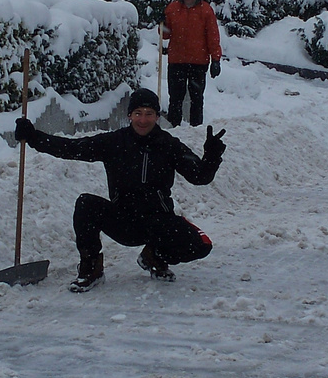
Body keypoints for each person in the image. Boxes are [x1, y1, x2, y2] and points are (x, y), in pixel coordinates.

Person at [14, 88, 226, 292]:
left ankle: (154, 256)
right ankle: (91, 268)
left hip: (158, 222)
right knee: (86, 203)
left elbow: (200, 177)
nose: (143, 120)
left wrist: (211, 157)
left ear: (157, 117)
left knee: (201, 245)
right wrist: (33, 137)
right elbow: (72, 148)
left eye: (149, 114)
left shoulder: (169, 145)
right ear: (130, 115)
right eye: (138, 114)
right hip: (123, 220)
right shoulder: (114, 142)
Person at [161, 0, 222, 128]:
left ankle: (197, 130)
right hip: (177, 61)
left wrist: (216, 59)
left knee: (197, 98)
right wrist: (162, 24)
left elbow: (213, 36)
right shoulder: (172, 8)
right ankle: (173, 129)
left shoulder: (205, 10)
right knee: (175, 98)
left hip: (198, 62)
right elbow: (165, 35)